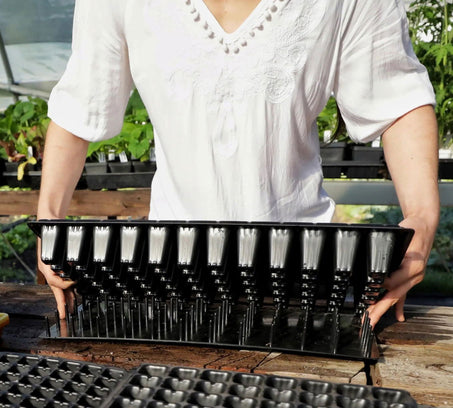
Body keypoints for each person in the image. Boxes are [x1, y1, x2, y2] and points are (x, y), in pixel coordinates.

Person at [37, 0, 440, 328]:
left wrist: (421, 219)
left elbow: (398, 100)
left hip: (302, 275)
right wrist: (49, 220)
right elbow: (79, 103)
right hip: (173, 274)